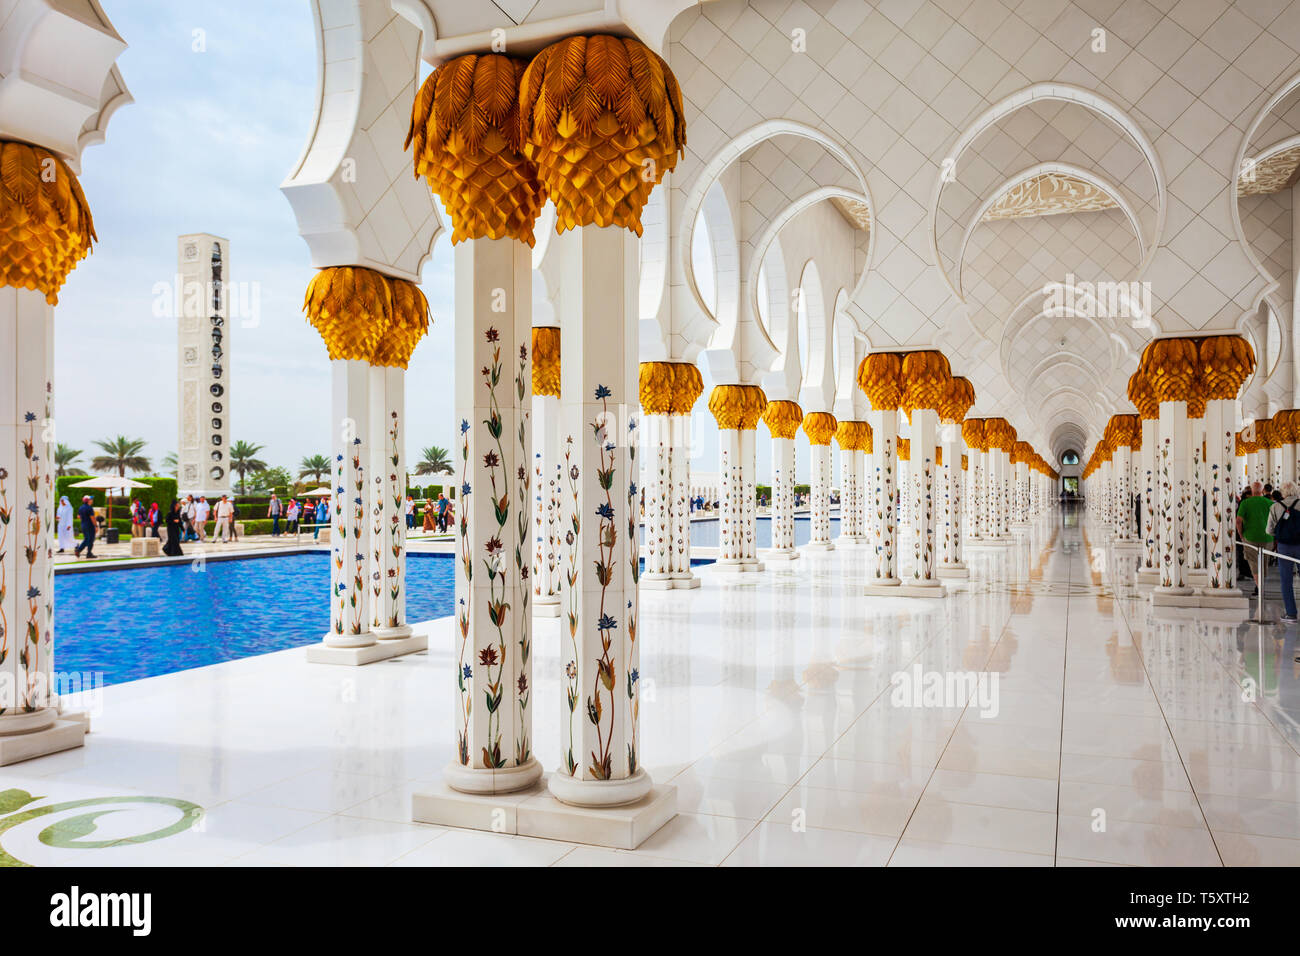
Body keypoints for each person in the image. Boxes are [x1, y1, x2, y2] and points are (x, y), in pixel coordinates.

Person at [1267, 481, 1300, 623]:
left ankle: (1291, 613)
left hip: (1284, 547)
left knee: (1286, 580)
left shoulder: (1275, 506)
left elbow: (1269, 530)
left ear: (1283, 492)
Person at [1238, 482, 1275, 597]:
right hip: (1267, 537)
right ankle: (1260, 585)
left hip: (1250, 537)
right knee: (1264, 562)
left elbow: (1238, 521)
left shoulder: (1245, 503)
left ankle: (1259, 588)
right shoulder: (1270, 503)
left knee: (1254, 563)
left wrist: (1241, 535)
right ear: (1262, 490)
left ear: (1251, 491)